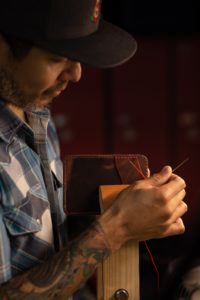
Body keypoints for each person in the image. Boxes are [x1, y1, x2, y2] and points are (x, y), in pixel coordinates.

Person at [0, 0, 187, 299]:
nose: (76, 75)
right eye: (57, 58)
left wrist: (118, 211)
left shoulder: (34, 112)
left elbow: (42, 247)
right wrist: (119, 227)